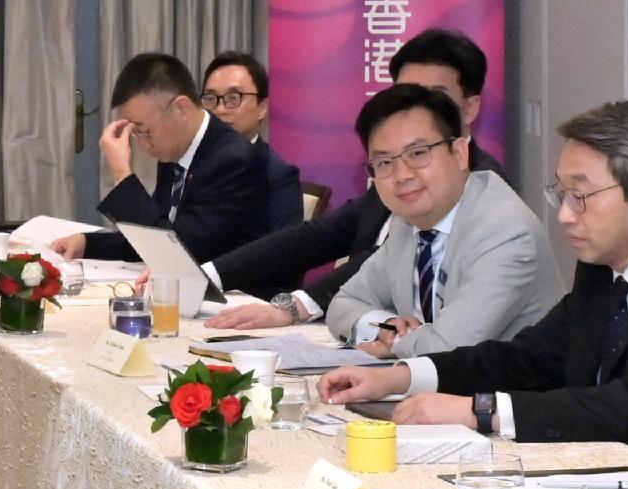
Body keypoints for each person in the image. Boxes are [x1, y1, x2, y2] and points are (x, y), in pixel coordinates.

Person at [316, 101, 628, 477]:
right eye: (561, 194)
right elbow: (527, 358)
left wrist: (481, 412)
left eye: (580, 196)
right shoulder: (600, 271)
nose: (564, 215)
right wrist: (400, 377)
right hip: (602, 476)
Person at [222, 83, 561, 360]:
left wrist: (393, 344)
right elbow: (343, 304)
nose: (401, 176)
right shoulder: (408, 222)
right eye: (383, 163)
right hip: (433, 400)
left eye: (418, 154)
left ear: (459, 154)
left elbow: (449, 350)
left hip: (510, 417)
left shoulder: (505, 231)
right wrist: (386, 327)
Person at [46, 52, 279, 271]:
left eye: (145, 131)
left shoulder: (232, 161)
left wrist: (122, 173)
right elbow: (157, 233)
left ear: (181, 107)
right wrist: (88, 244)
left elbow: (177, 256)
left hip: (239, 298)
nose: (143, 144)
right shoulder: (177, 148)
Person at [210, 86, 402, 317]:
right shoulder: (380, 193)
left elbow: (382, 258)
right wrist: (207, 276)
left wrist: (293, 307)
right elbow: (310, 238)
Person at [388, 28, 512, 186]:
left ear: (469, 109)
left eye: (435, 96)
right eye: (405, 93)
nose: (416, 108)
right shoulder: (393, 166)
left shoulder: (485, 188)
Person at [199, 51, 304, 236]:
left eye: (233, 98)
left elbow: (285, 256)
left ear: (262, 108)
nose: (220, 109)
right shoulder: (191, 164)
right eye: (211, 99)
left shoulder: (278, 177)